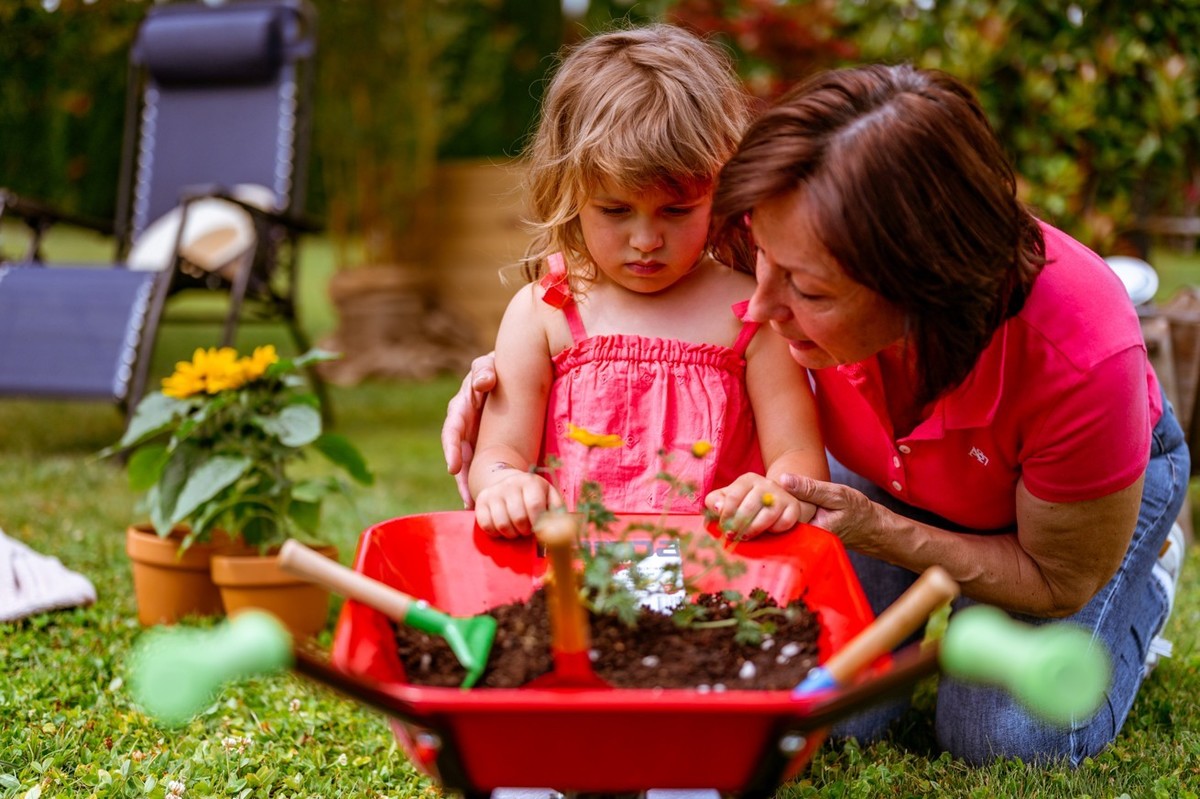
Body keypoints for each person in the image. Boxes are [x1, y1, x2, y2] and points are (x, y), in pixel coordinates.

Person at [443, 62, 1189, 766]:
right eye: (763, 260)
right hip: (878, 473)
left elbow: (1054, 578)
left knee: (1004, 733)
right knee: (815, 711)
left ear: (913, 289)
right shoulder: (757, 213)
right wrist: (504, 392)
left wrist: (888, 535)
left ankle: (1144, 580)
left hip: (1048, 528)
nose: (759, 309)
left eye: (808, 290)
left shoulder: (1081, 357)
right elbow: (607, 311)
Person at [468, 24, 829, 539]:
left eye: (677, 210)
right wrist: (505, 485)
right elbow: (497, 455)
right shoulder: (545, 312)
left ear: (722, 188)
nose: (645, 240)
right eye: (615, 210)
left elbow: (799, 460)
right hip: (574, 583)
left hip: (716, 585)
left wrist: (773, 493)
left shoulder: (752, 314)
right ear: (569, 191)